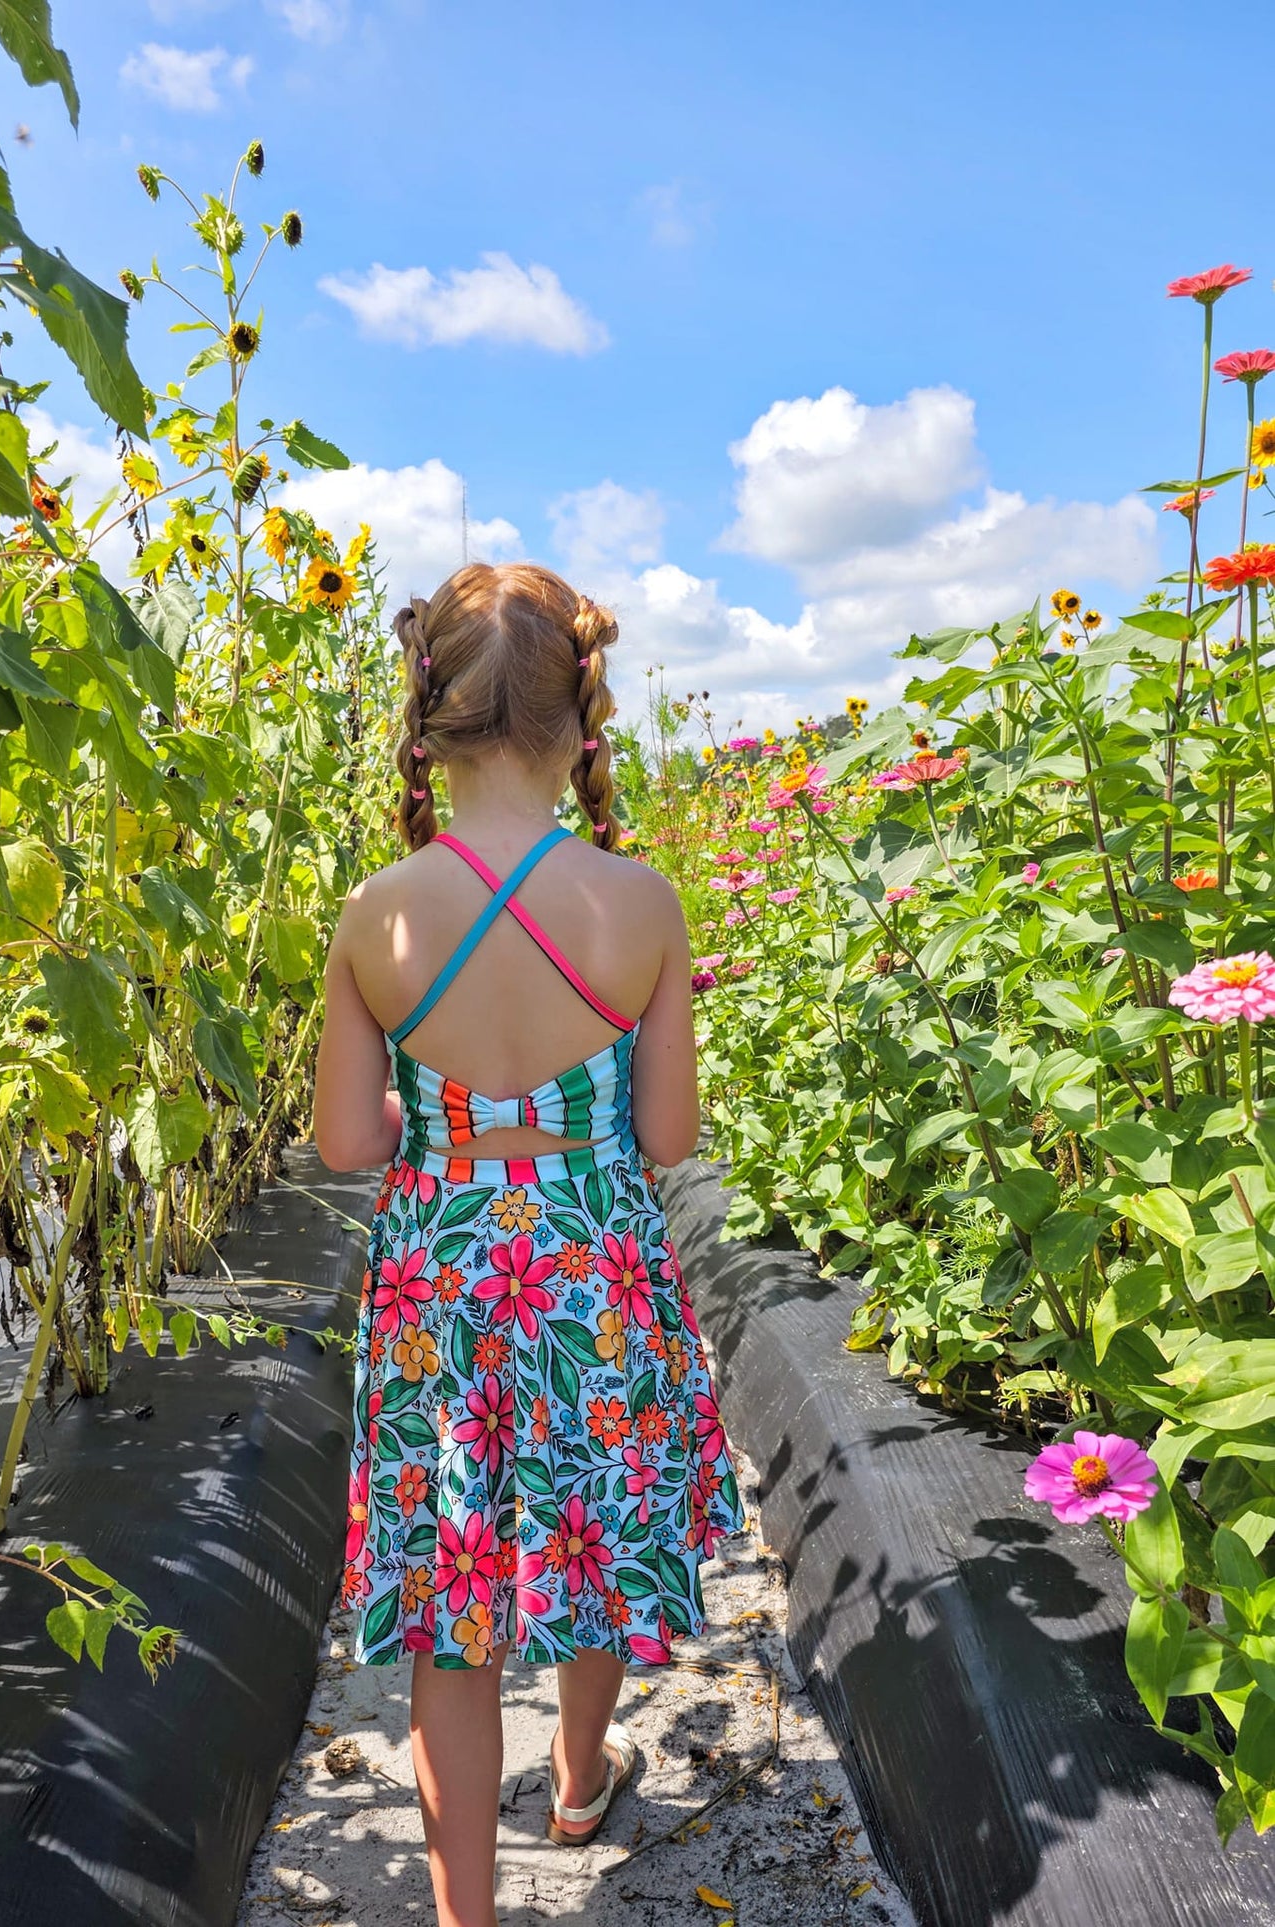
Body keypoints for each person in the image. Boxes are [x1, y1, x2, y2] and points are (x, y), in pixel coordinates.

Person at [313, 562, 741, 1927]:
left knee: (455, 1590)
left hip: (442, 1280)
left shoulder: (380, 911)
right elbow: (668, 1139)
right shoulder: (641, 905)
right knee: (588, 1523)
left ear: (429, 718)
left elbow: (342, 1148)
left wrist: (427, 1113)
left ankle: (463, 1914)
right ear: (582, 717)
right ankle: (573, 1776)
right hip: (590, 1272)